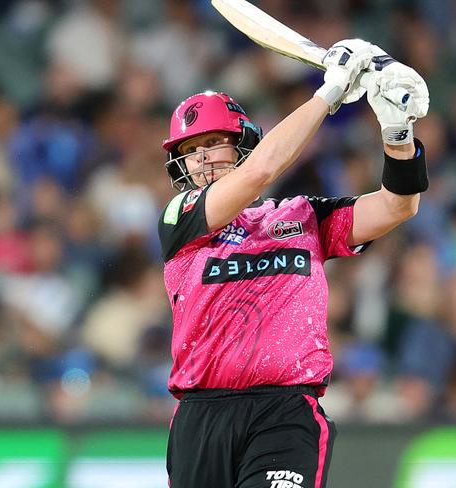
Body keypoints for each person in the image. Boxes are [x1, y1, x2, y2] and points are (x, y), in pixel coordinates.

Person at [157, 39, 429, 488]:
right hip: (201, 418)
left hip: (285, 412)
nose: (202, 157)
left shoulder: (302, 216)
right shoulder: (179, 218)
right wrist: (330, 93)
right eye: (191, 149)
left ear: (242, 143)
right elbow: (260, 173)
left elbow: (397, 206)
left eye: (213, 143)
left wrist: (397, 134)